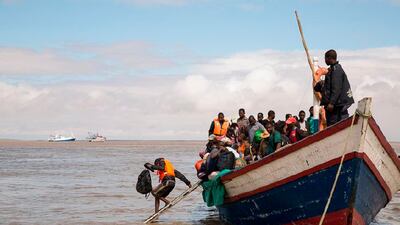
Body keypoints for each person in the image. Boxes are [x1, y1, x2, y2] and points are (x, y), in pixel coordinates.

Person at [314, 49, 354, 126]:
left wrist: (331, 103)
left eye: (325, 58)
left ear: (329, 58)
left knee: (336, 125)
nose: (325, 60)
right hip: (334, 106)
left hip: (337, 107)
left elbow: (337, 88)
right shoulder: (332, 70)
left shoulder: (336, 70)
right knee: (332, 124)